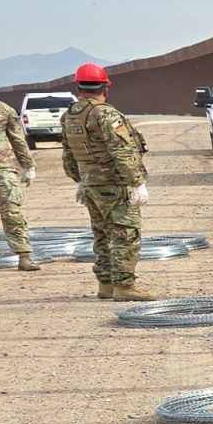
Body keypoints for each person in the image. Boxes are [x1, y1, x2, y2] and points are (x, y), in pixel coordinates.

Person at [59, 63, 149, 300]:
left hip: (91, 184)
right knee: (125, 233)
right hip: (114, 184)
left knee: (101, 234)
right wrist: (136, 183)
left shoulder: (69, 115)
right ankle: (124, 287)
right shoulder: (106, 113)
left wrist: (80, 180)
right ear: (105, 87)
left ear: (78, 87)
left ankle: (105, 284)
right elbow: (122, 150)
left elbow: (68, 153)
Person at [0, 95, 35, 270]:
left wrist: (28, 165)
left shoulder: (3, 109)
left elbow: (17, 139)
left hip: (3, 170)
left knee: (12, 213)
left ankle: (24, 256)